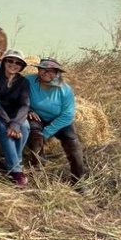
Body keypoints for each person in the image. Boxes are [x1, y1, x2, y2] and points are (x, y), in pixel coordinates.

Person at [26, 57, 85, 185]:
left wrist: (47, 132)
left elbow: (67, 115)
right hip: (36, 117)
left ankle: (78, 182)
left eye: (52, 71)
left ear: (57, 72)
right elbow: (19, 98)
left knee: (74, 146)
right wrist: (28, 110)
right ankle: (37, 175)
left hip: (59, 120)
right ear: (38, 70)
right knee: (36, 138)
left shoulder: (64, 89)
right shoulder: (28, 81)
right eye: (43, 69)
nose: (47, 73)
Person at [0, 49, 31, 187]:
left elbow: (25, 105)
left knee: (25, 127)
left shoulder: (23, 82)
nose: (14, 64)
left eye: (18, 63)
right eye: (10, 60)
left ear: (22, 66)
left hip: (16, 115)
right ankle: (16, 171)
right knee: (4, 130)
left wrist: (16, 123)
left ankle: (13, 162)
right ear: (3, 61)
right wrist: (9, 124)